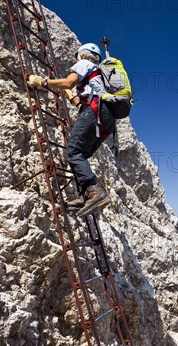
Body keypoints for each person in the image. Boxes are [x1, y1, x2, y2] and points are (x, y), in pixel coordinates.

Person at [28, 43, 114, 217]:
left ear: (83, 55)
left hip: (95, 111)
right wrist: (72, 97)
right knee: (79, 155)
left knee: (73, 152)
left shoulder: (85, 63)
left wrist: (42, 82)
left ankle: (95, 191)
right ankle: (86, 195)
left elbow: (68, 82)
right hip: (107, 118)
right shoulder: (100, 77)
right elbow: (83, 100)